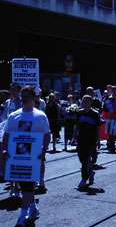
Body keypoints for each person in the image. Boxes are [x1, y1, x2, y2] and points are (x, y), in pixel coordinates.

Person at [2, 86, 50, 226]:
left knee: (28, 187)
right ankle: (33, 208)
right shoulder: (14, 115)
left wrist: (43, 149)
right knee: (25, 187)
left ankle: (22, 217)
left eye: (27, 95)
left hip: (33, 158)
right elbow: (7, 135)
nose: (24, 98)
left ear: (33, 97)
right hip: (17, 158)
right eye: (22, 95)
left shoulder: (40, 116)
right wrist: (5, 150)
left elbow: (47, 135)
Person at [75, 95, 101, 189]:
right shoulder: (79, 113)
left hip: (91, 139)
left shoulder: (95, 113)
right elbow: (76, 126)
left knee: (86, 160)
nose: (84, 103)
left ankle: (83, 179)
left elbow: (98, 127)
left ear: (90, 103)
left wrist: (98, 140)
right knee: (81, 159)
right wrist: (74, 137)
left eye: (86, 101)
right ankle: (90, 172)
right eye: (83, 101)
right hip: (81, 139)